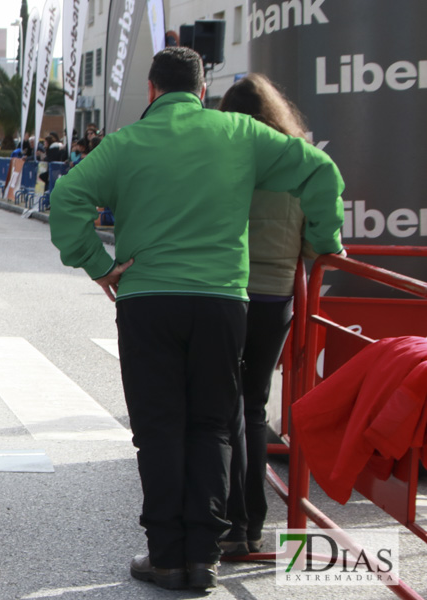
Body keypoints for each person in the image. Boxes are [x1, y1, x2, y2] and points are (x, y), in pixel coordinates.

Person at [48, 47, 346, 591]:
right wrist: (324, 242)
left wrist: (100, 266)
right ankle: (204, 558)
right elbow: (320, 170)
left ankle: (165, 556)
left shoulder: (125, 144)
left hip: (147, 300)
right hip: (221, 300)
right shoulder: (239, 133)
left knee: (158, 429)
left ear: (152, 89)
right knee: (212, 425)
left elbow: (66, 200)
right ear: (203, 90)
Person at [217, 73, 315, 557]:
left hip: (225, 288)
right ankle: (252, 525)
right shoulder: (299, 160)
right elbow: (317, 239)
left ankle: (227, 518)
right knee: (254, 406)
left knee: (222, 406)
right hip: (277, 294)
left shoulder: (223, 154)